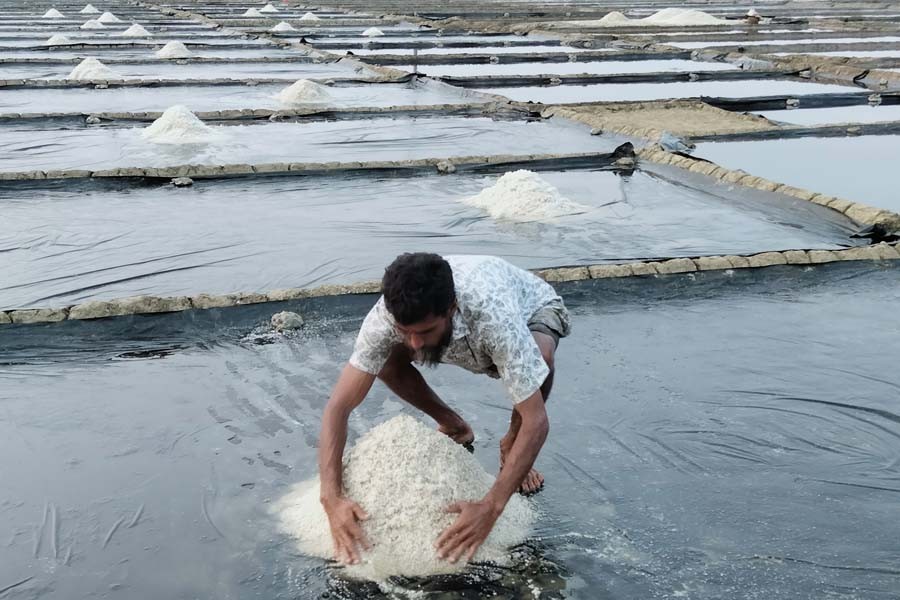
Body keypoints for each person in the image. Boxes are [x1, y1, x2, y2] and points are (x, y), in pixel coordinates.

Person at [317, 253, 570, 566]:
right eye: (404, 330)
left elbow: (537, 421)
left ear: (450, 309)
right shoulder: (384, 319)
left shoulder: (494, 317)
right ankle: (454, 425)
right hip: (469, 321)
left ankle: (511, 444)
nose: (415, 344)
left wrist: (490, 507)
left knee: (540, 359)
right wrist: (331, 498)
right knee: (383, 359)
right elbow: (337, 407)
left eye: (424, 332)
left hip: (529, 309)